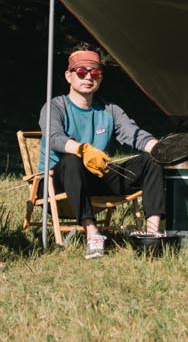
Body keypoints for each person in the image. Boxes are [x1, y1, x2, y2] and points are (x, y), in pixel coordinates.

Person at [38, 46, 176, 258]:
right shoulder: (56, 106)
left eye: (94, 73)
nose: (88, 77)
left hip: (96, 177)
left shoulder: (109, 110)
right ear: (69, 76)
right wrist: (83, 150)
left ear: (100, 78)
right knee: (73, 160)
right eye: (81, 72)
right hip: (55, 182)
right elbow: (55, 138)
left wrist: (158, 149)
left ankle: (152, 234)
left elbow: (133, 133)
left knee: (151, 161)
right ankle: (92, 232)